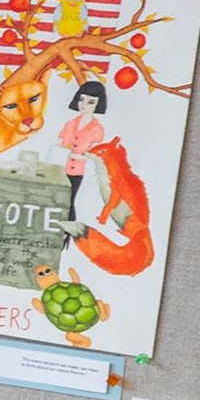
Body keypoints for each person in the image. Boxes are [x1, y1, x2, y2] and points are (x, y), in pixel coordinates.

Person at [53, 76, 155, 276]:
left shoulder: (97, 129)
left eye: (90, 102)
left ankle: (66, 235)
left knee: (69, 200)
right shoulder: (70, 123)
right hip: (59, 166)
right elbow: (60, 144)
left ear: (98, 104)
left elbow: (87, 154)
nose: (84, 105)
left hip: (75, 170)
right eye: (82, 100)